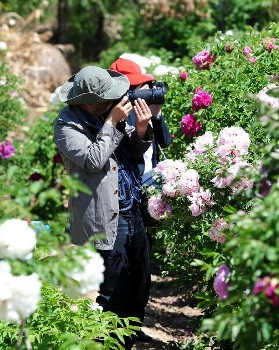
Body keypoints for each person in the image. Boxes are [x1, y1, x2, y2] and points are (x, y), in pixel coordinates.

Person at [53, 66, 154, 348]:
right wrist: (111, 123)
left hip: (132, 210)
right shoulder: (67, 125)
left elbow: (132, 152)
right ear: (88, 101)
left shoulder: (108, 113)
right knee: (112, 294)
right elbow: (94, 160)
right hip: (104, 220)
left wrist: (142, 129)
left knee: (139, 287)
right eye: (106, 98)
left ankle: (126, 343)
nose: (114, 100)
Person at [110, 57, 173, 245]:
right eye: (138, 86)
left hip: (149, 175)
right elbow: (130, 149)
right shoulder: (120, 113)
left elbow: (165, 141)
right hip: (131, 182)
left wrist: (157, 114)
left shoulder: (145, 110)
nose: (145, 91)